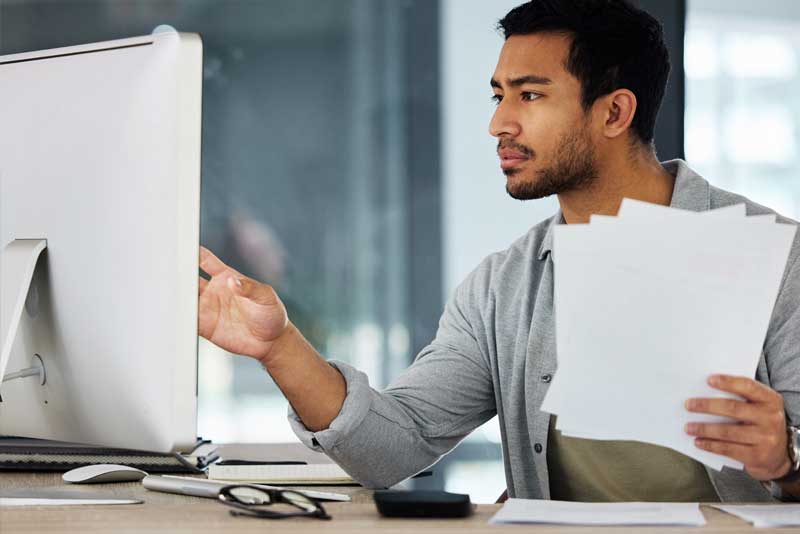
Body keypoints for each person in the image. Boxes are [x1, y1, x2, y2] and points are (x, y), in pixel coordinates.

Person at [197, 0, 800, 502]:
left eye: (530, 96)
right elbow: (392, 446)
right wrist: (278, 347)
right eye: (498, 96)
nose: (499, 124)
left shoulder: (777, 257)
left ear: (614, 110)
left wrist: (787, 460)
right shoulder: (501, 286)